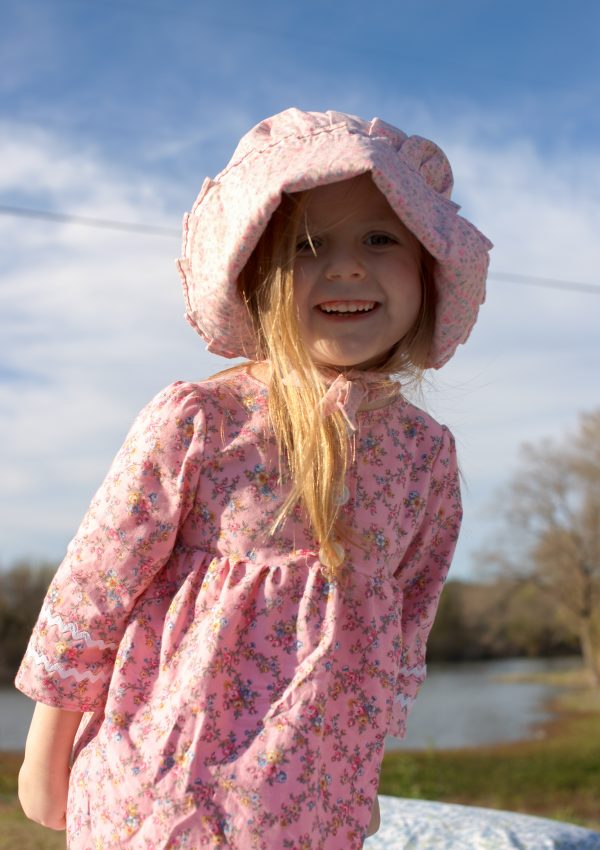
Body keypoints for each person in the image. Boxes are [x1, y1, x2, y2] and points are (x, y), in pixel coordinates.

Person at [15, 108, 492, 850]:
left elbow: (405, 617)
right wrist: (47, 751)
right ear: (257, 274)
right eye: (307, 245)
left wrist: (363, 768)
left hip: (313, 796)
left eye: (379, 238)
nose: (347, 266)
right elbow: (96, 587)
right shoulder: (204, 420)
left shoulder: (424, 456)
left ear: (428, 269)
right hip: (164, 781)